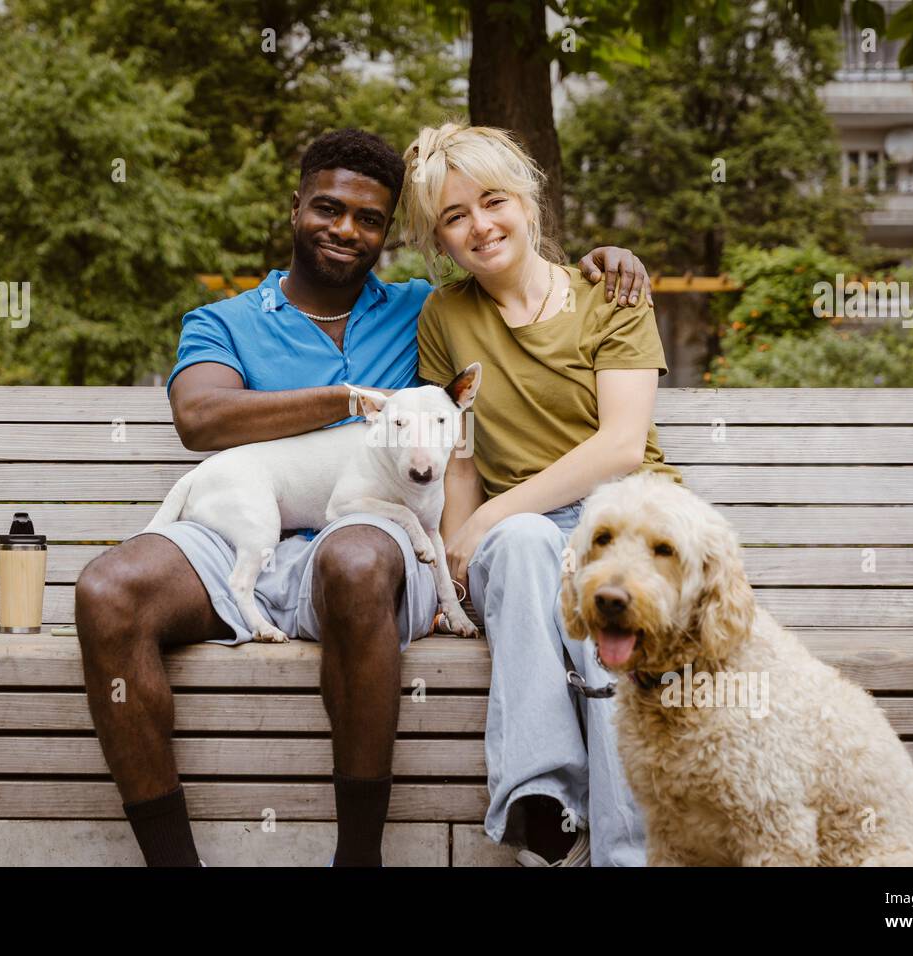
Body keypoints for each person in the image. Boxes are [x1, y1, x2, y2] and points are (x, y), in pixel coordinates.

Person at [73, 127, 654, 867]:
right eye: (327, 208)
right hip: (240, 531)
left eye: (369, 219)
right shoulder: (224, 321)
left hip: (367, 545)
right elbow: (201, 419)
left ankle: (359, 859)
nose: (346, 229)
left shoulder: (426, 309)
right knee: (107, 590)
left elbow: (512, 277)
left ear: (389, 234)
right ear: (295, 209)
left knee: (352, 559)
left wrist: (607, 261)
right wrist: (348, 400)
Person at [400, 122, 684, 866]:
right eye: (454, 217)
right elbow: (460, 460)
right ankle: (543, 803)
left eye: (491, 201)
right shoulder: (445, 315)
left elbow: (622, 446)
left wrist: (494, 512)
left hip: (628, 520)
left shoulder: (610, 294)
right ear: (440, 238)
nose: (479, 226)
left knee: (602, 587)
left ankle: (626, 853)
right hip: (523, 545)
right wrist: (451, 570)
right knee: (524, 544)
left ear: (527, 200)